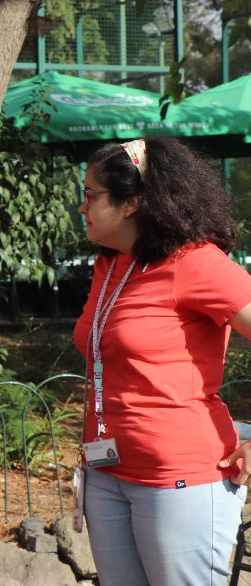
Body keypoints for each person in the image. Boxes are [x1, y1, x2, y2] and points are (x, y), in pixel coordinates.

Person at [74, 138, 251, 586]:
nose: (81, 207)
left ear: (133, 202)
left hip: (179, 479)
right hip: (105, 472)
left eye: (90, 195)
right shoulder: (109, 267)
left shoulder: (196, 263)